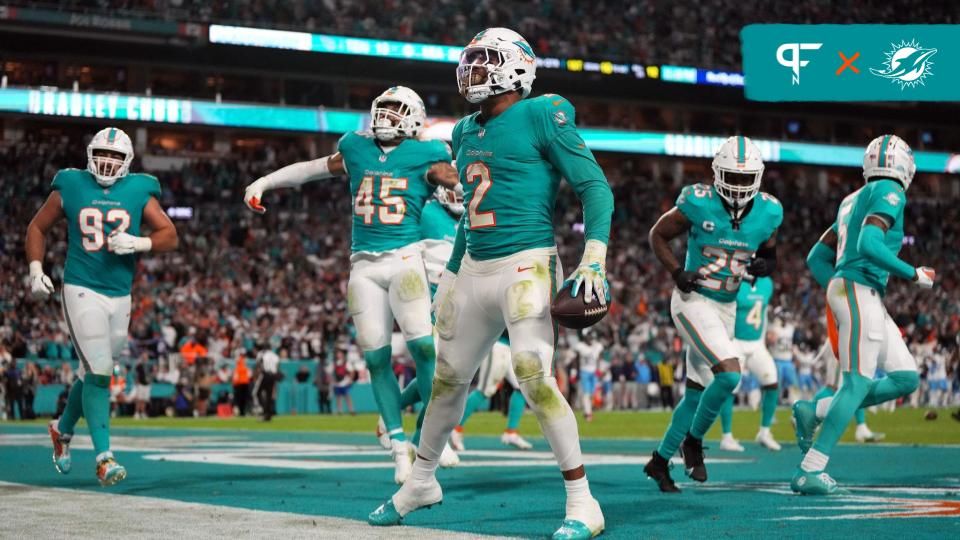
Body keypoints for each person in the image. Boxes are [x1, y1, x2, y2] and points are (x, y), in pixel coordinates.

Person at [369, 28, 613, 539]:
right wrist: (451, 275)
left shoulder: (544, 111)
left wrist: (594, 258)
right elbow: (466, 219)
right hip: (474, 269)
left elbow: (595, 187)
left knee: (533, 375)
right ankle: (421, 482)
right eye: (472, 60)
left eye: (486, 61)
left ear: (516, 68)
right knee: (446, 382)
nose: (473, 70)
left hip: (527, 264)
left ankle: (582, 501)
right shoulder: (461, 132)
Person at [244, 85, 458, 484]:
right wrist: (264, 182)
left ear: (413, 118)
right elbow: (311, 168)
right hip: (363, 265)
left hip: (405, 259)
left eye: (396, 110)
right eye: (384, 108)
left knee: (425, 349)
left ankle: (434, 437)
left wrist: (470, 180)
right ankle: (398, 448)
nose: (386, 116)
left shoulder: (428, 152)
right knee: (376, 358)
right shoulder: (356, 146)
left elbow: (449, 176)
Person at [29, 126, 178, 486]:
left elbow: (170, 236)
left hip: (120, 293)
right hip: (81, 287)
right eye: (102, 155)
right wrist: (36, 271)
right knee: (100, 368)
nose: (107, 162)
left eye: (115, 156)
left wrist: (139, 243)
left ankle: (61, 429)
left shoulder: (140, 188)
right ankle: (103, 457)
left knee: (92, 372)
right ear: (90, 155)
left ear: (127, 161)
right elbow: (37, 227)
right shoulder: (71, 183)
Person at [791, 134, 932, 494]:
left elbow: (815, 258)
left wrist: (838, 287)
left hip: (859, 291)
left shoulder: (851, 199)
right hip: (859, 290)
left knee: (906, 378)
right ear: (905, 165)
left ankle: (817, 411)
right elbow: (868, 244)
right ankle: (811, 469)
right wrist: (913, 274)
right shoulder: (891, 191)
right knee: (856, 383)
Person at [644, 135, 782, 493]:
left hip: (726, 308)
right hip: (693, 302)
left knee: (694, 395)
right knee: (729, 374)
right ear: (717, 174)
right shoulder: (698, 202)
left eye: (743, 178)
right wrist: (677, 271)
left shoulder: (769, 211)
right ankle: (694, 442)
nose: (737, 186)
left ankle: (659, 463)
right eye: (731, 177)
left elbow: (770, 253)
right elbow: (657, 235)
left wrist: (767, 265)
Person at [718, 276, 780, 452]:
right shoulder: (734, 281)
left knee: (772, 383)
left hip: (757, 343)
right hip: (735, 341)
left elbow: (764, 313)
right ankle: (727, 437)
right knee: (731, 386)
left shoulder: (767, 283)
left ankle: (765, 432)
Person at [257, 347, 279, 421]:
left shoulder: (263, 354)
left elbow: (260, 365)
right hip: (273, 375)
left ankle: (264, 410)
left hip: (265, 374)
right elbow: (277, 366)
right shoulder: (275, 356)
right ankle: (268, 414)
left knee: (257, 393)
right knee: (269, 395)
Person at [133, 353, 152, 419]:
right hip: (141, 384)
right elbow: (136, 374)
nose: (145, 358)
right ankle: (136, 413)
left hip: (147, 384)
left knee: (144, 400)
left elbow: (151, 374)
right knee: (139, 399)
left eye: (146, 357)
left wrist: (150, 381)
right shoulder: (139, 365)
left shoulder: (149, 365)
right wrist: (137, 382)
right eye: (144, 357)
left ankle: (143, 413)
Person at [232, 352, 251, 416]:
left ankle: (241, 411)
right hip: (243, 383)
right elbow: (249, 375)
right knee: (243, 399)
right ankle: (242, 412)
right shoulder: (244, 366)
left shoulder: (239, 366)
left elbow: (236, 376)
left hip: (240, 384)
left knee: (240, 399)